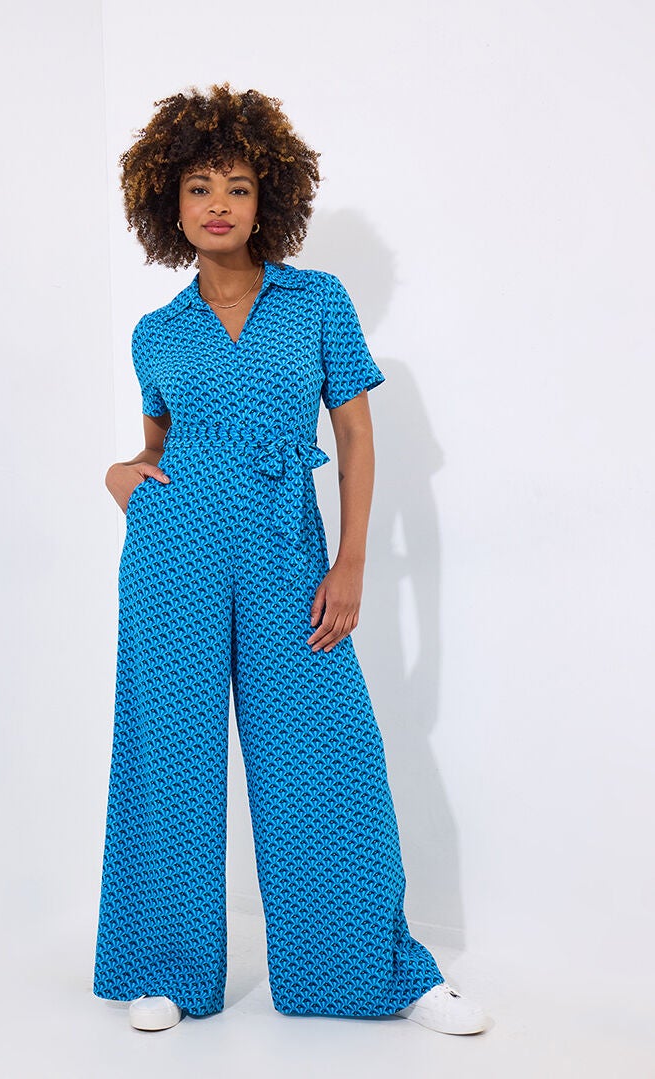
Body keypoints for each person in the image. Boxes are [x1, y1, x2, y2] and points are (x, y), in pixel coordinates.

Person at [94, 83, 488, 1037]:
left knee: (323, 756)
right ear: (168, 203)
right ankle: (166, 968)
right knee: (170, 753)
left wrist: (350, 564)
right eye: (198, 187)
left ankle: (372, 971)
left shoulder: (317, 303)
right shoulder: (157, 332)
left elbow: (355, 437)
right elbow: (158, 445)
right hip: (174, 556)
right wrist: (120, 474)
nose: (218, 203)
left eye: (237, 185)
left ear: (268, 196)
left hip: (288, 556)